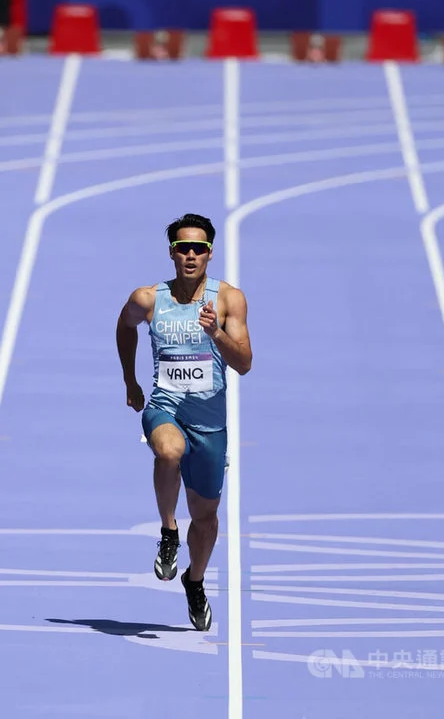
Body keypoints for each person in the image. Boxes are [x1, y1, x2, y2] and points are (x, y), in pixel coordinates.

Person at [116, 213, 252, 631]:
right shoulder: (147, 299)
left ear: (210, 253)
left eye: (199, 248)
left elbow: (244, 363)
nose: (190, 255)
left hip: (209, 425)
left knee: (207, 519)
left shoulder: (228, 300)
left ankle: (195, 581)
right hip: (165, 408)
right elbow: (124, 326)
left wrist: (216, 334)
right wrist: (131, 380)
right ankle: (168, 531)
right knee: (168, 451)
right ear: (172, 253)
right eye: (183, 248)